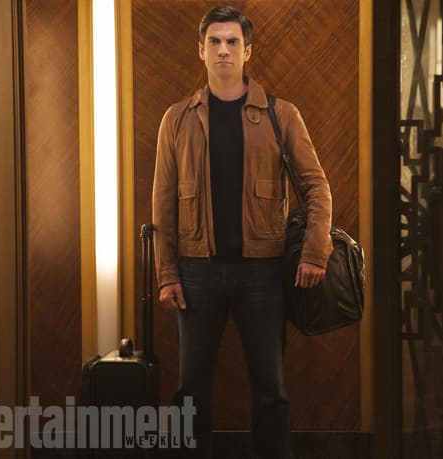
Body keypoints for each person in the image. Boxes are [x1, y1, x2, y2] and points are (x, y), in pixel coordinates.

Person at [152, 6, 333, 458]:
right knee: (191, 390)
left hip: (263, 273)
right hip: (196, 272)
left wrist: (314, 252)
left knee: (271, 390)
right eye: (214, 42)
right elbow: (163, 204)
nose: (223, 50)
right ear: (200, 50)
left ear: (247, 51)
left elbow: (317, 186)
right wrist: (167, 274)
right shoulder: (177, 119)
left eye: (232, 42)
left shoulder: (280, 115)